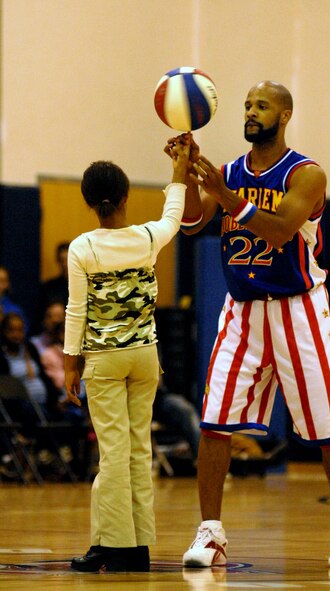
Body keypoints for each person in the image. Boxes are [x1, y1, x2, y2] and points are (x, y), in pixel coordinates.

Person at [166, 81, 330, 569]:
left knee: (328, 428)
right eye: (247, 106)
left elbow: (278, 232)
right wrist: (184, 173)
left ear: (285, 114)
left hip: (299, 308)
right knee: (214, 422)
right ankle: (210, 533)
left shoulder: (307, 174)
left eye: (262, 106)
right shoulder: (230, 171)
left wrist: (225, 195)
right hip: (243, 309)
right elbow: (192, 225)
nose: (251, 112)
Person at [64, 140, 190, 573]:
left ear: (88, 202)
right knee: (139, 448)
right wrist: (180, 168)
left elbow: (76, 310)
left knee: (114, 453)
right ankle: (135, 546)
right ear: (125, 197)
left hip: (104, 358)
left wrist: (69, 364)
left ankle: (114, 548)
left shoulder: (83, 247)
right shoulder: (146, 238)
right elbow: (174, 215)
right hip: (146, 357)